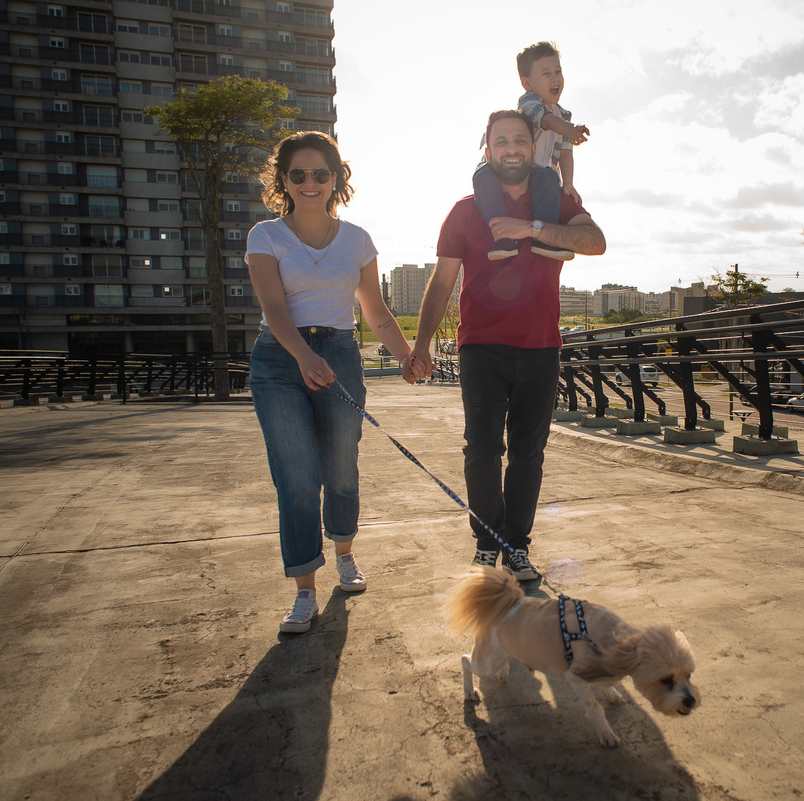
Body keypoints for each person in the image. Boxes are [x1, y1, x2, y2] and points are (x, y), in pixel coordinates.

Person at [408, 110, 606, 580]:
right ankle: (487, 542)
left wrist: (533, 229)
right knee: (481, 449)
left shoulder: (554, 198)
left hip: (541, 346)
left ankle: (517, 545)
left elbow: (595, 241)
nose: (512, 148)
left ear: (530, 145)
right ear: (487, 149)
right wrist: (422, 345)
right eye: (502, 142)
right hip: (482, 347)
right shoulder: (464, 210)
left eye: (520, 139)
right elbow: (441, 282)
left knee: (528, 453)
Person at [245, 131, 414, 634]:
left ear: (336, 179)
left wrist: (407, 356)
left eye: (321, 173)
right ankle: (303, 590)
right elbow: (274, 309)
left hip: (339, 351)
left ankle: (344, 552)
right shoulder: (266, 235)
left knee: (342, 467)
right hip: (280, 359)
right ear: (285, 180)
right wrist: (300, 355)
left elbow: (376, 312)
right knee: (296, 475)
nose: (310, 182)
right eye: (299, 174)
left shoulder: (358, 239)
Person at [473, 41, 590, 261]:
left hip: (535, 173)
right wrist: (571, 130)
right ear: (527, 83)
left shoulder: (564, 115)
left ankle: (544, 238)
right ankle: (503, 237)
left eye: (558, 71)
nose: (555, 79)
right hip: (503, 168)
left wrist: (569, 183)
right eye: (546, 74)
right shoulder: (528, 102)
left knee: (549, 177)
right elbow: (545, 120)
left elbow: (566, 152)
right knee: (482, 177)